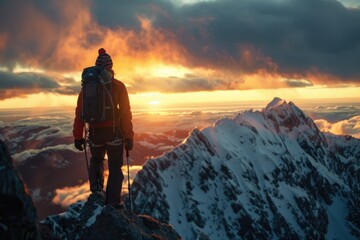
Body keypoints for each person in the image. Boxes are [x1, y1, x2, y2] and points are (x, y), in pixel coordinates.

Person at [72, 48, 134, 207]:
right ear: (111, 67)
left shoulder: (86, 89)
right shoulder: (118, 86)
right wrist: (128, 136)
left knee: (96, 160)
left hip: (94, 133)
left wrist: (78, 136)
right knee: (114, 167)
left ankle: (97, 193)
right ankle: (113, 202)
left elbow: (79, 114)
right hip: (114, 133)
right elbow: (126, 113)